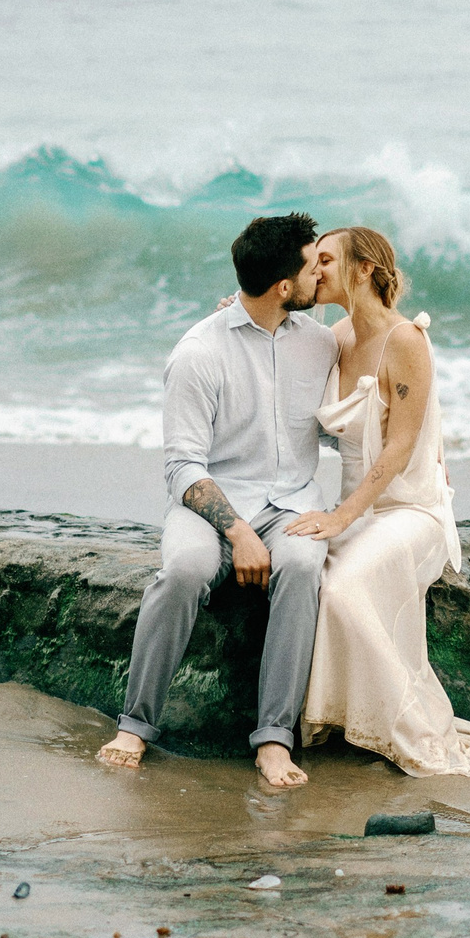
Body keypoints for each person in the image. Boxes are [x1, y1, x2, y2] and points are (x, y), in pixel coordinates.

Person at [285, 227, 470, 778]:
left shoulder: (405, 339)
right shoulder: (337, 335)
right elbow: (277, 350)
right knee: (306, 575)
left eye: (327, 260)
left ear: (364, 268)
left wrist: (340, 517)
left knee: (343, 587)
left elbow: (402, 445)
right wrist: (238, 312)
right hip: (360, 507)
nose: (316, 271)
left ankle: (404, 726)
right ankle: (340, 718)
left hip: (409, 511)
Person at [98, 212, 338, 788]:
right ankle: (135, 725)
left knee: (303, 566)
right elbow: (181, 467)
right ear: (284, 287)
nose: (320, 278)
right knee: (185, 570)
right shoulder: (198, 352)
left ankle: (274, 739)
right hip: (211, 507)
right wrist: (238, 531)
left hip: (291, 502)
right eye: (313, 267)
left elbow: (341, 428)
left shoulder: (322, 343)